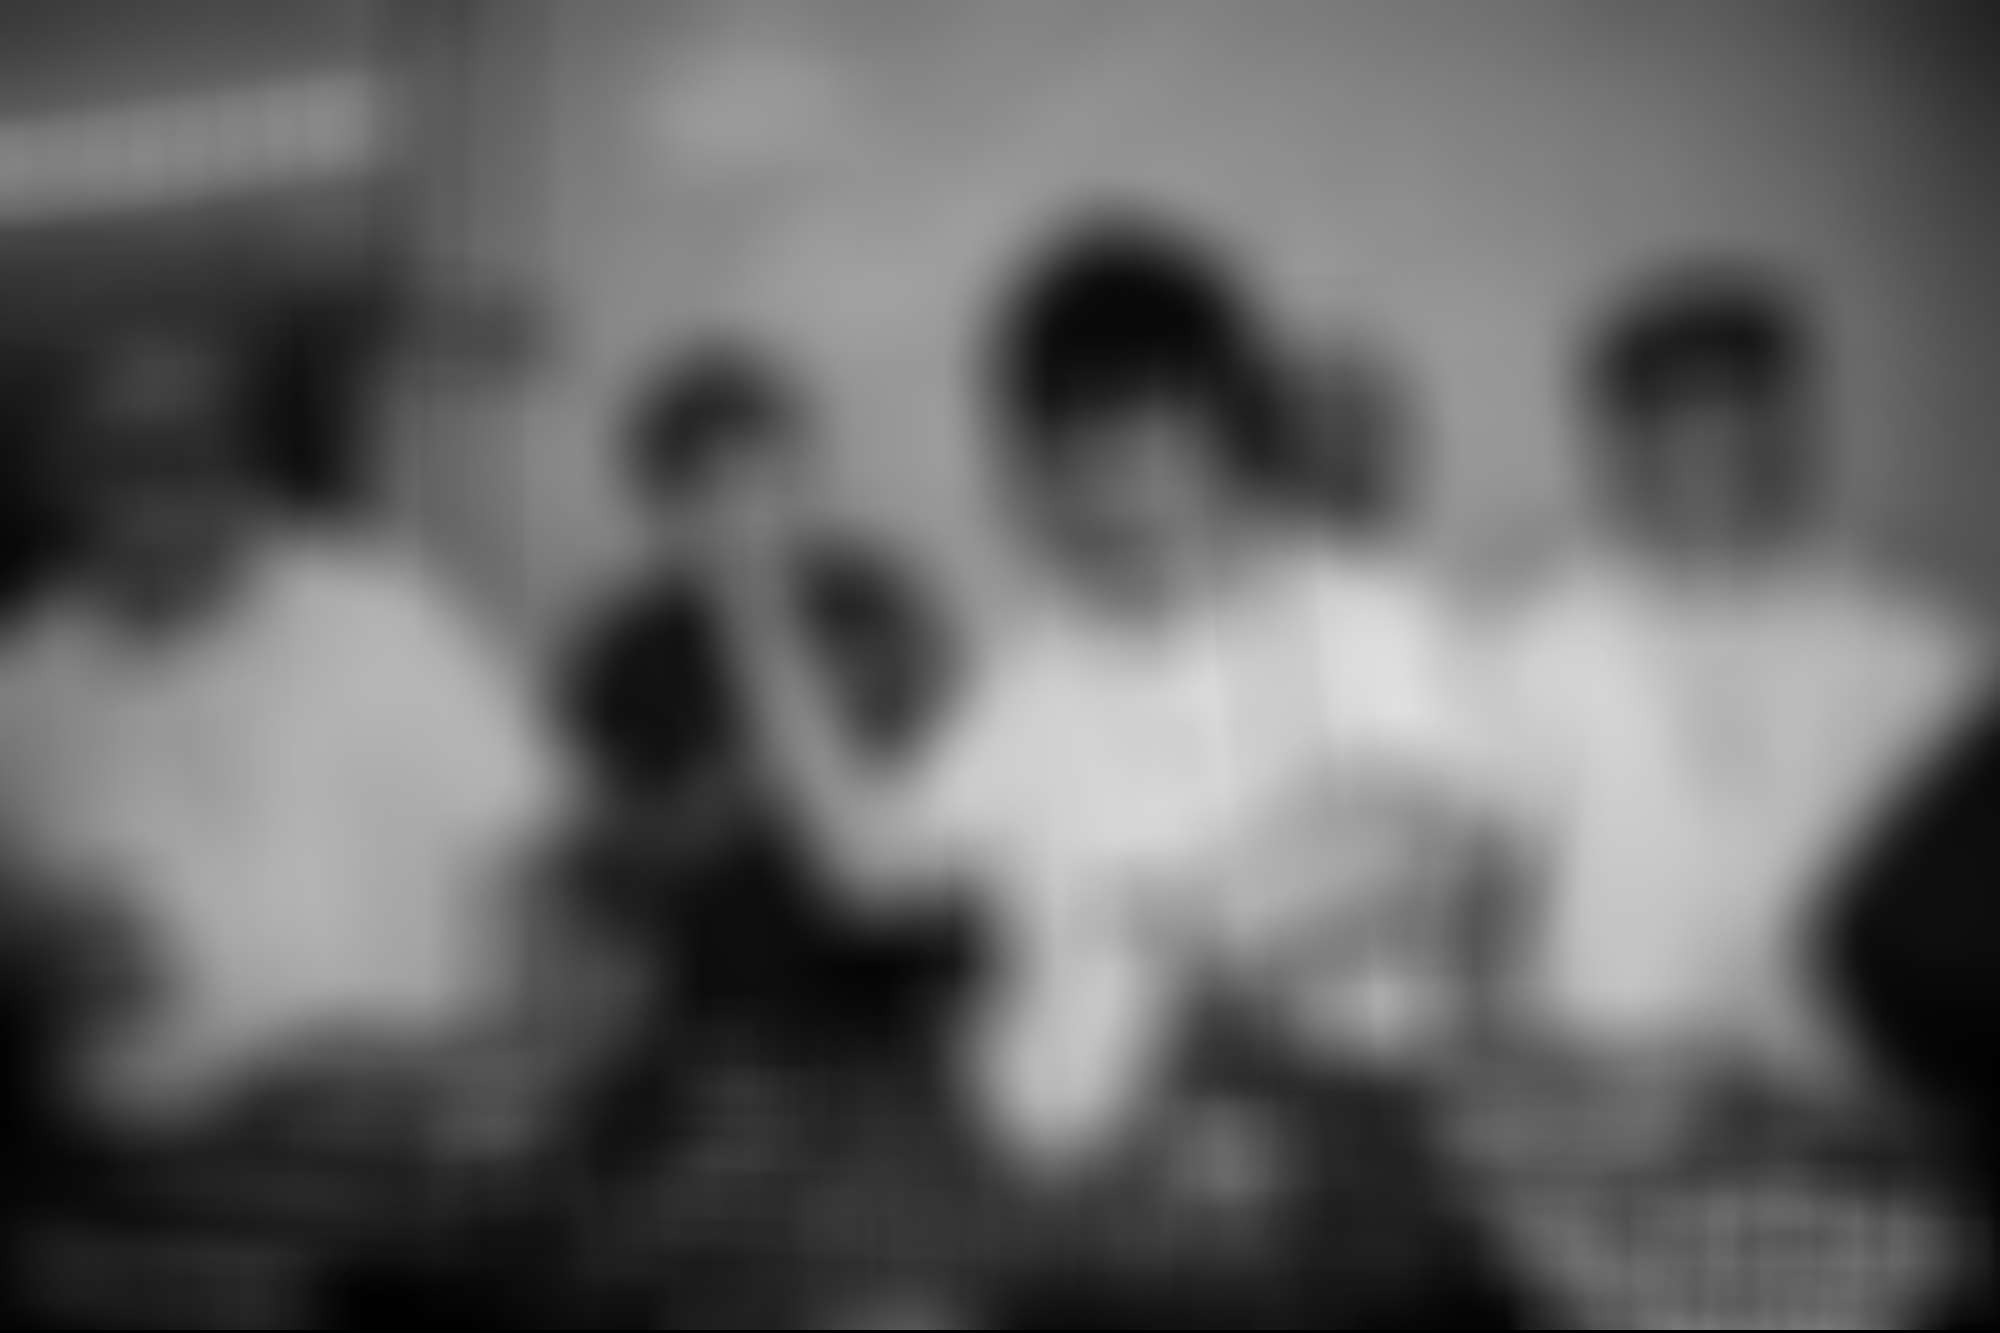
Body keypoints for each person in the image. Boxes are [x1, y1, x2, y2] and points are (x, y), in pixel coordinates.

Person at [716, 215, 1522, 1325]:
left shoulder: (1363, 618)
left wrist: (1181, 916)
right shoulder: (1043, 661)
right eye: (1076, 469)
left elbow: (1422, 846)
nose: (1112, 504)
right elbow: (868, 871)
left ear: (1233, 441)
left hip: (1288, 1168)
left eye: (1147, 458)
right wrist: (749, 597)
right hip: (1029, 1141)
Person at [1458, 265, 1992, 1327]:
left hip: (1861, 1155)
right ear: (1618, 451)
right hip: (1602, 1161)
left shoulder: (1929, 657)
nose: (1709, 471)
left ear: (1792, 436)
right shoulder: (1522, 652)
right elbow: (1469, 924)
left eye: (1741, 437)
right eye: (1674, 440)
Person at [0, 323, 573, 1156]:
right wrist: (43, 958)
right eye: (120, 456)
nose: (159, 486)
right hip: (147, 1162)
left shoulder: (384, 615)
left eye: (187, 449)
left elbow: (535, 857)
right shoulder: (28, 678)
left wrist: (525, 1083)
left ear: (241, 463)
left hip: (397, 1136)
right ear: (62, 478)